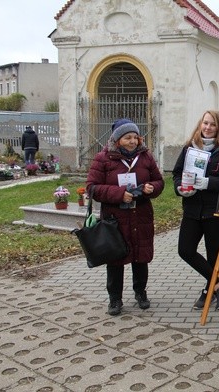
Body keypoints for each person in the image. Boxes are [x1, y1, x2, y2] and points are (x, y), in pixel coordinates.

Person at [87, 119, 164, 316]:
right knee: (116, 259)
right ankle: (115, 299)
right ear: (117, 139)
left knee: (141, 257)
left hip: (141, 216)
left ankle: (141, 293)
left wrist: (151, 188)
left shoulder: (145, 157)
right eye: (127, 137)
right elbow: (92, 188)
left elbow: (159, 181)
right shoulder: (103, 159)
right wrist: (119, 193)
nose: (132, 142)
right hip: (115, 219)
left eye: (135, 137)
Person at [172, 110, 219, 311]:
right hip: (192, 209)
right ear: (200, 124)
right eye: (205, 123)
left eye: (212, 124)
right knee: (185, 250)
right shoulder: (190, 147)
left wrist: (208, 183)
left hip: (215, 211)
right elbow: (177, 174)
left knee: (214, 255)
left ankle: (209, 290)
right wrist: (180, 188)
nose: (207, 128)